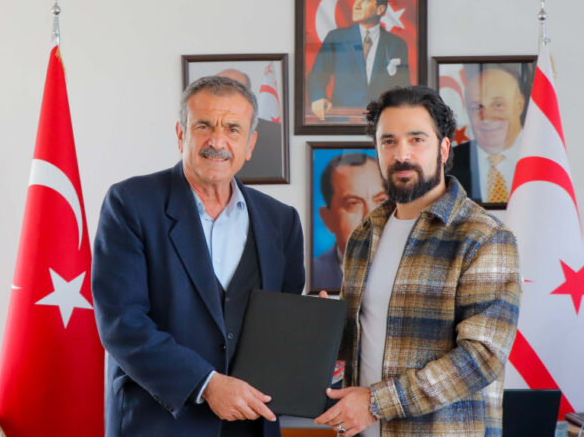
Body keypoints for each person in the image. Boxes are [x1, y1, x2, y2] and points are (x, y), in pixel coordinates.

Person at [92, 75, 304, 436]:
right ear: (181, 134)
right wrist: (206, 384)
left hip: (252, 424)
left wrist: (313, 325)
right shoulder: (130, 203)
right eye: (204, 126)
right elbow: (122, 324)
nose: (217, 142)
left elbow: (280, 326)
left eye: (233, 129)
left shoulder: (281, 221)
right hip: (158, 424)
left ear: (250, 143)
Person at [315, 86, 521, 436]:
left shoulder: (484, 236)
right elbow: (370, 339)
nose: (402, 154)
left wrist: (375, 403)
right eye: (389, 141)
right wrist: (327, 329)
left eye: (416, 139)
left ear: (443, 149)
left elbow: (481, 358)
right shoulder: (364, 235)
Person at [307, 0, 410, 120]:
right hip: (342, 119)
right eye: (356, 0)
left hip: (382, 120)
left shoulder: (397, 44)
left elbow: (403, 85)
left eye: (365, 0)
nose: (356, 5)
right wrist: (318, 97)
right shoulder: (336, 38)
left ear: (380, 9)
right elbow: (317, 76)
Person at [449, 66, 526, 203]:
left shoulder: (544, 158)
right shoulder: (448, 164)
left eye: (498, 105)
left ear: (519, 104)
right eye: (476, 107)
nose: (487, 117)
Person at [313, 153, 387, 291]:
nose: (370, 217)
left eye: (381, 200)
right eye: (353, 203)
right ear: (327, 218)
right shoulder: (312, 274)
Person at [216, 69, 284, 180]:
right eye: (221, 88)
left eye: (235, 89)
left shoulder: (276, 134)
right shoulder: (196, 131)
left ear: (248, 96)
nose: (227, 95)